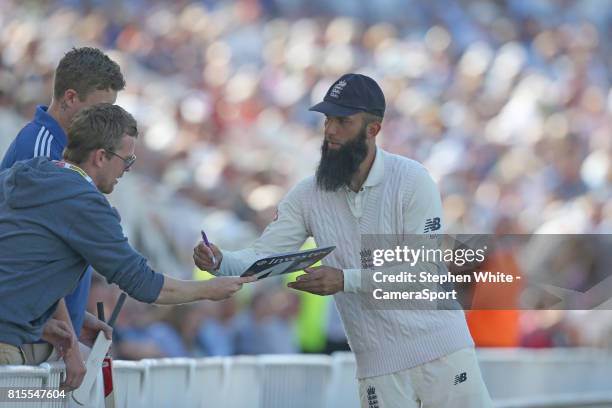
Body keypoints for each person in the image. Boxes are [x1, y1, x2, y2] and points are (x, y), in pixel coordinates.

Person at [194, 74, 493, 407]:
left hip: (443, 351)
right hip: (377, 366)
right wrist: (220, 261)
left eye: (343, 121)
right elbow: (263, 256)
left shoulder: (412, 180)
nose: (330, 130)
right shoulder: (307, 194)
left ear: (373, 129)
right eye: (327, 119)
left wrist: (345, 280)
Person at [0, 104, 253, 390]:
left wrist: (56, 319)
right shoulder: (84, 202)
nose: (127, 170)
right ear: (100, 157)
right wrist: (210, 290)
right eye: (126, 161)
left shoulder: (26, 172)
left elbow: (23, 267)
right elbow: (143, 283)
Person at [0, 47, 126, 377]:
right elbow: (30, 256)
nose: (106, 122)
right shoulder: (40, 149)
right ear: (70, 97)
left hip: (41, 338)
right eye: (100, 109)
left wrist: (76, 317)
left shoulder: (60, 149)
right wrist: (68, 342)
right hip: (20, 341)